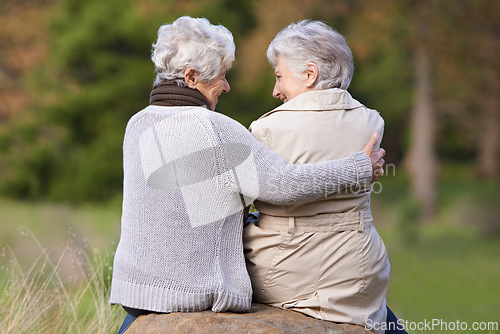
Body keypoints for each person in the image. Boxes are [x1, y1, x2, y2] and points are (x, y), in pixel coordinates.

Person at [109, 16, 385, 334]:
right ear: (191, 76)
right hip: (189, 293)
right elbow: (285, 184)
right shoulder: (217, 128)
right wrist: (360, 167)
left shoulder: (137, 123)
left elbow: (182, 204)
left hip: (135, 291)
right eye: (222, 77)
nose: (226, 86)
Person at [243, 20, 406, 334]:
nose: (275, 90)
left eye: (279, 76)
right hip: (358, 273)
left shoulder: (267, 128)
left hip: (284, 273)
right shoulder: (372, 121)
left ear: (310, 74)